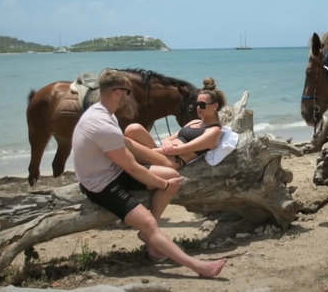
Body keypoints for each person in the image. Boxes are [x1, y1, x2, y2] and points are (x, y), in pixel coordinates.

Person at [71, 69, 226, 277]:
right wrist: (163, 185)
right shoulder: (105, 125)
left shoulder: (103, 114)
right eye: (128, 93)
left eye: (202, 105)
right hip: (101, 184)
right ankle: (199, 267)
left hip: (112, 171)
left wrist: (162, 167)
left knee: (171, 176)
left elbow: (134, 163)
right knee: (150, 224)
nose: (130, 97)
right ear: (117, 93)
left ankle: (153, 238)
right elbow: (133, 168)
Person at [125, 77, 227, 170]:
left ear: (215, 106)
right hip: (163, 152)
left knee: (124, 143)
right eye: (196, 104)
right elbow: (169, 138)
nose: (198, 108)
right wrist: (165, 142)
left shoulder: (214, 131)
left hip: (172, 160)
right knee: (133, 128)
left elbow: (184, 149)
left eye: (202, 105)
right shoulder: (194, 122)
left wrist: (148, 151)